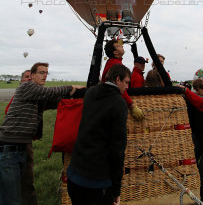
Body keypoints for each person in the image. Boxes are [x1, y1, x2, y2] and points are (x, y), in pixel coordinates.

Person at [0, 62, 85, 205]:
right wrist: (71, 87)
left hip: (21, 148)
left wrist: (81, 94)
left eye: (46, 73)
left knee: (24, 190)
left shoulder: (38, 97)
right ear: (32, 76)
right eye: (41, 73)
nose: (45, 76)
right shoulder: (27, 87)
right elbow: (50, 93)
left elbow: (57, 102)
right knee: (11, 199)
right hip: (9, 149)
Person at [67, 64, 131, 205]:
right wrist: (116, 190)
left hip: (74, 176)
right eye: (126, 82)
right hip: (97, 185)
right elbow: (118, 150)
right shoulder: (118, 103)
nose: (127, 87)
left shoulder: (90, 93)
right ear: (118, 79)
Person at [4, 70, 38, 205]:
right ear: (21, 81)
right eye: (26, 77)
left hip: (24, 141)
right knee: (15, 184)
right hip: (14, 142)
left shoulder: (34, 94)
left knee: (27, 181)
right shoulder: (21, 95)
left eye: (31, 77)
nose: (29, 79)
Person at [101, 39, 144, 120]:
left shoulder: (112, 62)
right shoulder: (116, 64)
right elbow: (120, 87)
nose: (122, 45)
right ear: (115, 52)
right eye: (118, 46)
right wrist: (132, 105)